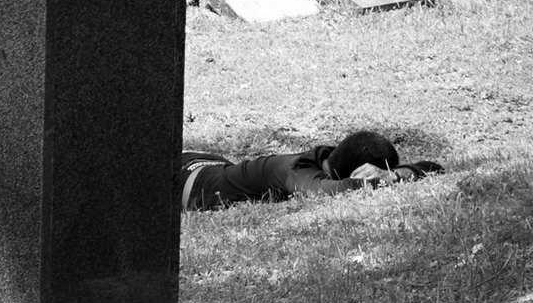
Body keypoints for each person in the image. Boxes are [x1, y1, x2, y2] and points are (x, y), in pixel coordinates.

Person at [178, 130, 442, 212]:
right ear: (357, 172)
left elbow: (433, 168)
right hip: (182, 177)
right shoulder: (297, 172)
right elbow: (332, 191)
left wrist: (395, 174)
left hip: (212, 165)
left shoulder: (327, 157)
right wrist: (385, 178)